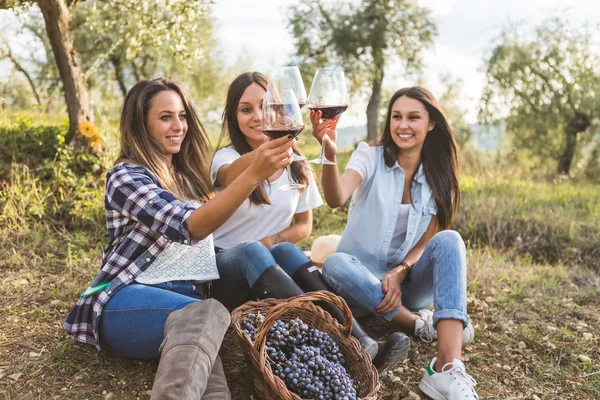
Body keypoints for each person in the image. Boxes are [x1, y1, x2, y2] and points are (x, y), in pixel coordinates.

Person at [64, 78, 312, 400]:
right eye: (165, 117)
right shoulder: (126, 177)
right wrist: (255, 174)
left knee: (241, 263)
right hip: (127, 298)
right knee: (205, 314)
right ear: (141, 124)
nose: (178, 125)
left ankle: (313, 332)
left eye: (182, 116)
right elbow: (191, 226)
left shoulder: (186, 176)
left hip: (190, 300)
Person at [209, 71, 409, 372]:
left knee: (287, 251)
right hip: (224, 271)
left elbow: (304, 227)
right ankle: (336, 344)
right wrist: (269, 146)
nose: (257, 116)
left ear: (278, 108)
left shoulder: (296, 164)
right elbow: (228, 176)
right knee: (252, 250)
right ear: (233, 116)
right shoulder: (225, 158)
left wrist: (272, 241)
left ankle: (361, 341)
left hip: (266, 270)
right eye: (245, 109)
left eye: (265, 106)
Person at [312, 86, 479, 399]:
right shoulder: (369, 156)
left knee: (450, 240)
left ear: (431, 124)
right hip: (357, 284)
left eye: (413, 117)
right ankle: (419, 325)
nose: (403, 125)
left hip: (406, 287)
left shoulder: (441, 176)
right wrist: (329, 155)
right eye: (396, 117)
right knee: (334, 263)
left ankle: (447, 366)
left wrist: (400, 272)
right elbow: (335, 198)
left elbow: (429, 239)